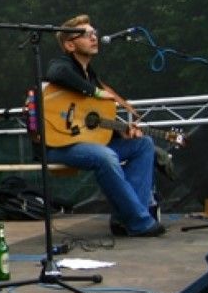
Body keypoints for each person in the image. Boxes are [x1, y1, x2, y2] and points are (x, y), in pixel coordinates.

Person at [43, 14, 165, 237]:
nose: (94, 37)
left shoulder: (92, 76)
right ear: (70, 45)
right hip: (58, 145)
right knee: (105, 156)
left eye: (94, 33)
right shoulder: (63, 65)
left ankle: (123, 219)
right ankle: (139, 222)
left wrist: (121, 133)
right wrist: (96, 92)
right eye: (86, 34)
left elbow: (93, 124)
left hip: (85, 142)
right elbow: (55, 73)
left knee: (144, 144)